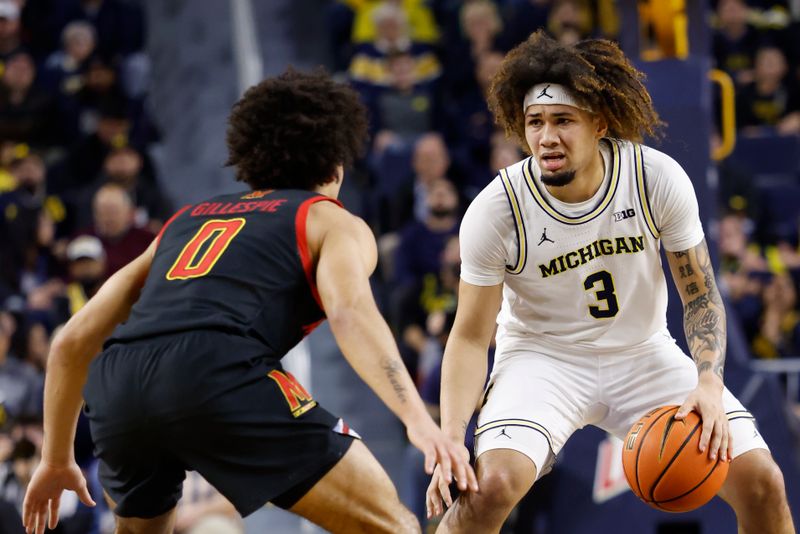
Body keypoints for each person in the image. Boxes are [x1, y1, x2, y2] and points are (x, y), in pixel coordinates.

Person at [21, 68, 477, 534]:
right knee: (394, 526)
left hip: (121, 388)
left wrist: (55, 458)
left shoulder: (185, 221)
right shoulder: (328, 220)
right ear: (336, 161)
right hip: (218, 370)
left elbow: (73, 340)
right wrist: (417, 420)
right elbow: (349, 313)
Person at [426, 30, 795, 533]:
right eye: (535, 122)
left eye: (562, 121)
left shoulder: (654, 178)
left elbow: (701, 295)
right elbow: (469, 336)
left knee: (762, 481)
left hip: (643, 353)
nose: (546, 137)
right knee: (488, 487)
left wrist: (709, 382)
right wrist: (450, 435)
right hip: (542, 359)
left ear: (598, 123)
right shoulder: (497, 210)